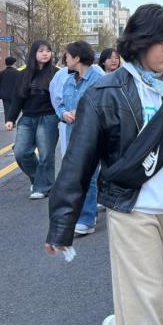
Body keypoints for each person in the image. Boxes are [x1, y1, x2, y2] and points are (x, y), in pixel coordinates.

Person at [45, 4, 163, 325]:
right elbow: (78, 161)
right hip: (132, 210)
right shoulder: (105, 92)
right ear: (140, 41)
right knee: (144, 304)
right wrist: (62, 224)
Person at [56, 41, 104, 236]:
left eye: (67, 56)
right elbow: (60, 104)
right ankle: (87, 214)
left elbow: (104, 105)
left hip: (92, 133)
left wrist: (83, 111)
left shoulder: (97, 79)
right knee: (78, 177)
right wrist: (63, 114)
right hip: (72, 134)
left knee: (87, 176)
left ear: (77, 58)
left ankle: (86, 219)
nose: (65, 59)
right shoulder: (69, 80)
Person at [5, 40, 59, 199]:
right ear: (34, 53)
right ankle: (39, 180)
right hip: (27, 118)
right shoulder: (23, 74)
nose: (45, 54)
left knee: (46, 155)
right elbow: (17, 98)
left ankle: (43, 188)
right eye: (41, 51)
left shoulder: (56, 73)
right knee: (21, 152)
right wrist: (10, 118)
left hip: (49, 117)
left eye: (48, 51)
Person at [49, 53, 73, 157]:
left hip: (90, 124)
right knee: (68, 156)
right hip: (67, 122)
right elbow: (55, 98)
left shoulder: (95, 72)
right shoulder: (61, 74)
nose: (66, 60)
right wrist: (62, 113)